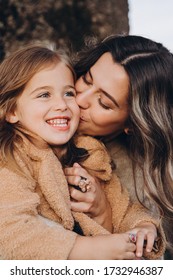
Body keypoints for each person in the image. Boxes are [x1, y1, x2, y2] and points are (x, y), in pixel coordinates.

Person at [0, 44, 165, 260]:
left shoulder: (90, 152)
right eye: (86, 80)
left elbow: (125, 207)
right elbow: (9, 229)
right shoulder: (10, 156)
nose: (69, 103)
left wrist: (143, 226)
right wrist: (84, 248)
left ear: (132, 124)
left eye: (68, 92)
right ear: (12, 111)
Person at [64, 34, 173, 257]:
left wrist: (103, 212)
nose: (80, 99)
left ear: (132, 124)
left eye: (104, 103)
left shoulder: (140, 183)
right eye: (86, 79)